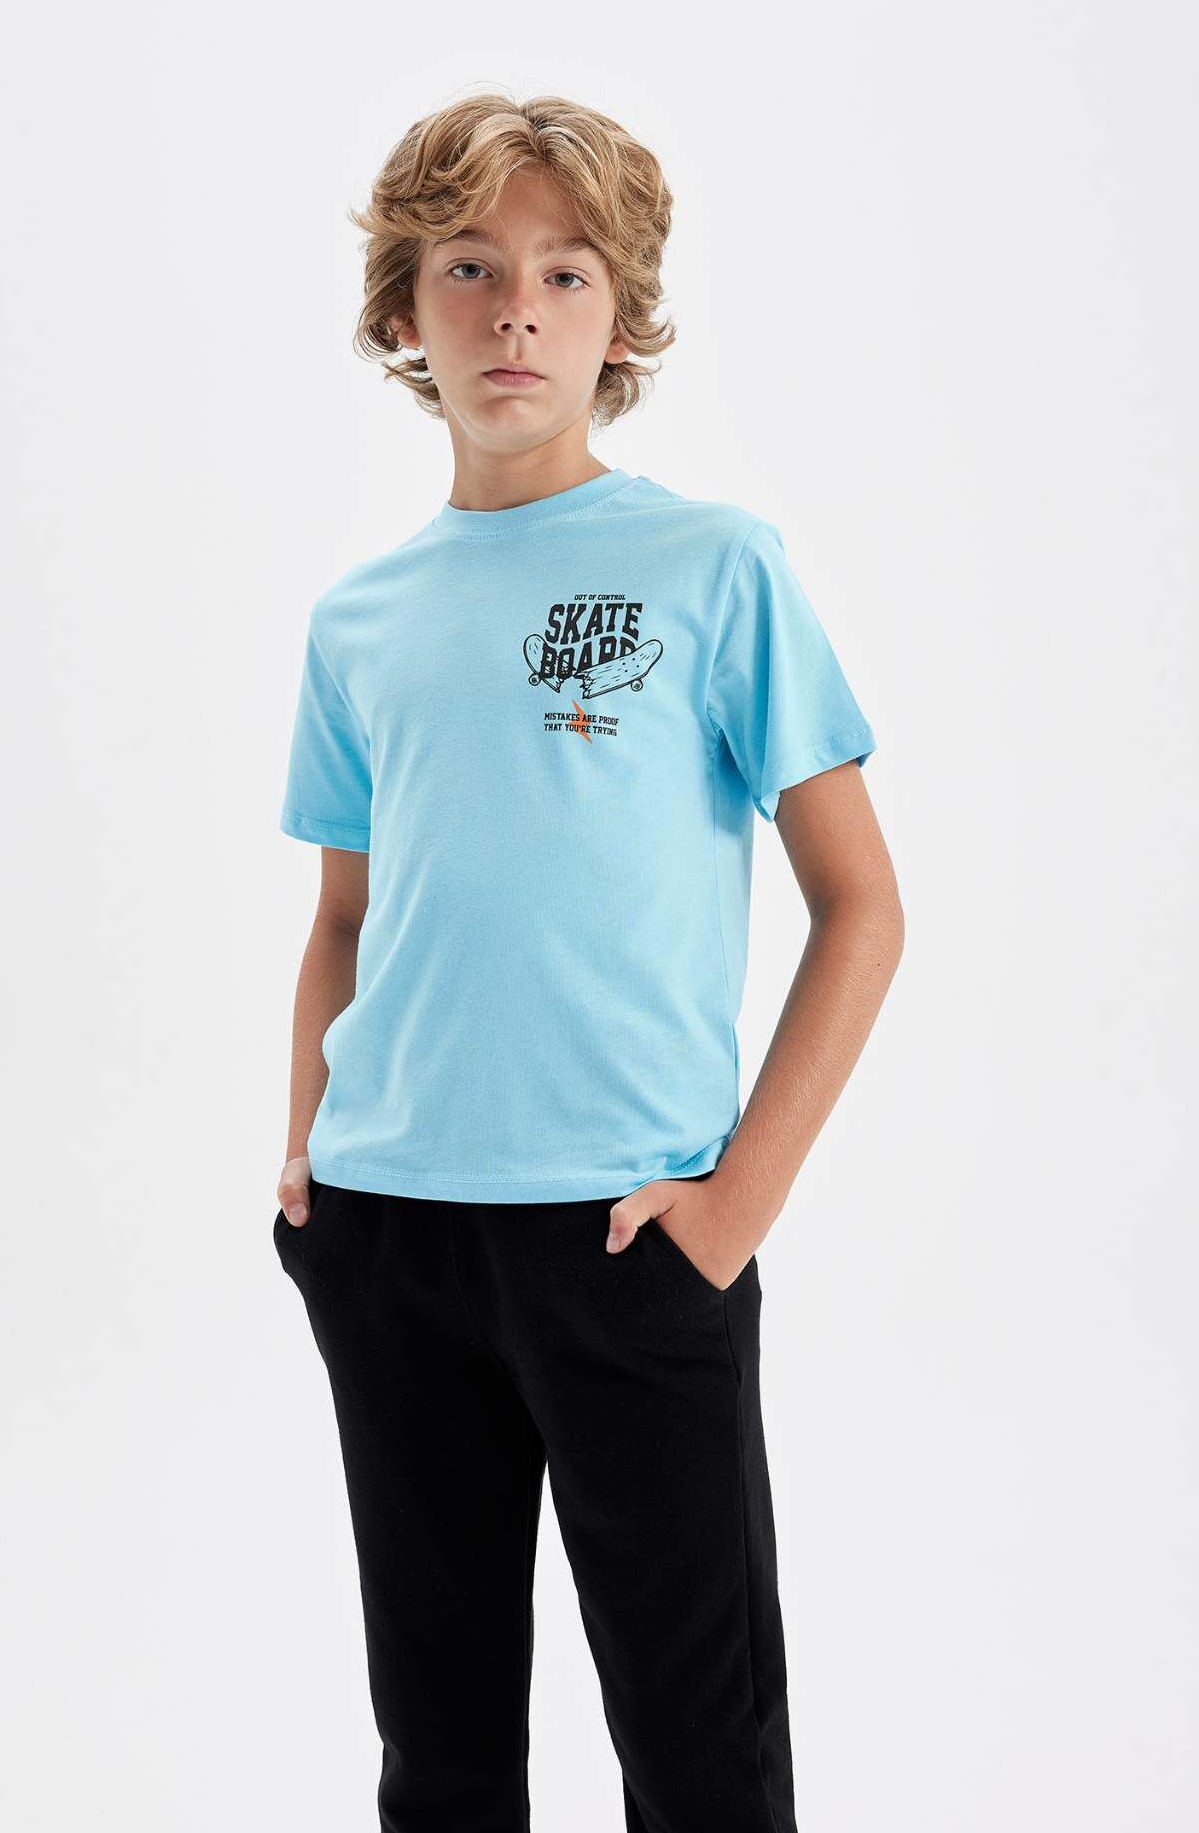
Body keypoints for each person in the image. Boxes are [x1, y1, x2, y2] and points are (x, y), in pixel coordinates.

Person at [271, 91, 904, 1833]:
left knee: (703, 1761)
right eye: (469, 268)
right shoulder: (362, 618)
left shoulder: (713, 567)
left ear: (621, 319)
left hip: (631, 1236)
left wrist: (732, 1211)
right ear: (406, 311)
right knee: (442, 1755)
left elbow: (863, 905)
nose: (516, 313)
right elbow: (345, 918)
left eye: (564, 274)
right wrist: (310, 1161)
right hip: (389, 1233)